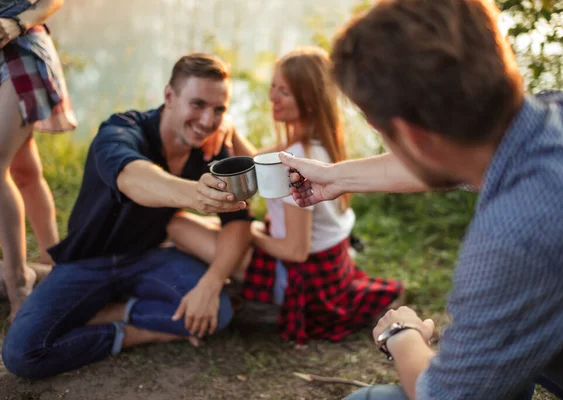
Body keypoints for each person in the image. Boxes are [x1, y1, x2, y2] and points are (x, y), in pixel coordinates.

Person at [278, 1, 563, 399]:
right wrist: (335, 175)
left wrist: (403, 334)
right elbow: (455, 159)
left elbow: (441, 395)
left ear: (411, 137)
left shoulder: (515, 238)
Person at [2, 53, 252, 379]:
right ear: (169, 97)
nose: (208, 120)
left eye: (219, 109)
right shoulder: (120, 130)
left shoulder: (211, 148)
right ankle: (137, 328)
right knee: (22, 353)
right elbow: (134, 179)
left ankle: (116, 311)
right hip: (87, 261)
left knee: (218, 311)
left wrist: (212, 280)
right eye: (198, 104)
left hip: (148, 257)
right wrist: (195, 194)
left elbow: (239, 223)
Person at [167, 47, 403, 345]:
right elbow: (256, 160)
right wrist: (230, 129)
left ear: (308, 101)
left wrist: (248, 236)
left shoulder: (298, 158)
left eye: (284, 93)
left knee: (178, 226)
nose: (272, 98)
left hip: (302, 276)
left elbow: (295, 251)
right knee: (217, 230)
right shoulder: (312, 143)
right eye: (273, 87)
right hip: (329, 265)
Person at [0, 0, 78, 322]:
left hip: (18, 52)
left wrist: (16, 23)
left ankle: (20, 286)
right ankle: (58, 270)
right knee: (24, 171)